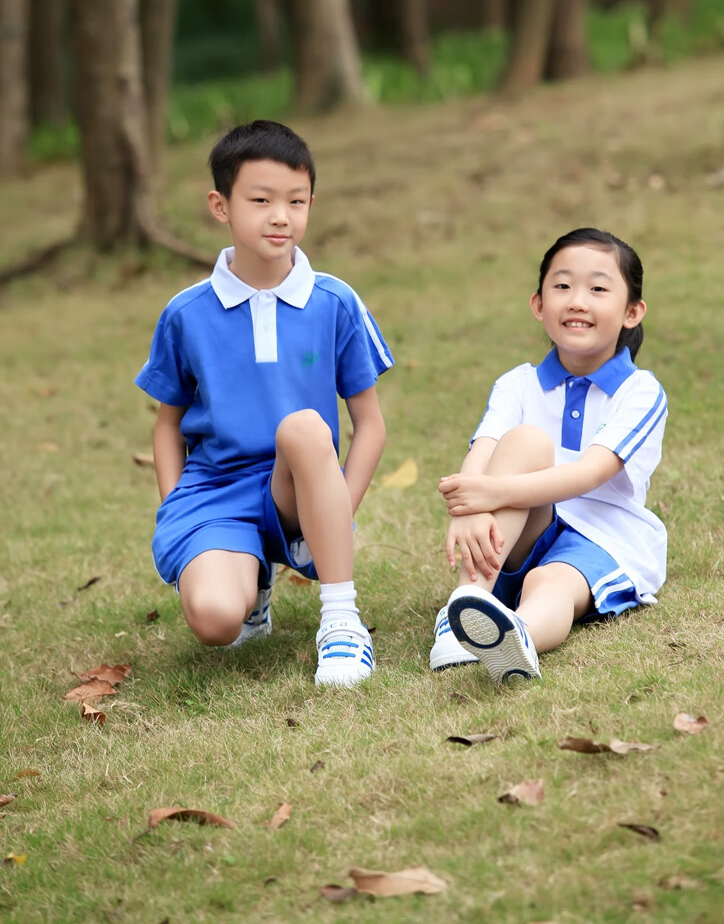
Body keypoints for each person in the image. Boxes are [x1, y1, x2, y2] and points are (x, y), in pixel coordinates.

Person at [135, 120, 393, 687]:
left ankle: (342, 621)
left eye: (296, 201)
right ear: (220, 206)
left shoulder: (335, 302)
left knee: (303, 428)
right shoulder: (186, 313)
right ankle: (248, 585)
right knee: (214, 621)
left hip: (301, 484)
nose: (282, 216)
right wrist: (177, 505)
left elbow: (369, 424)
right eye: (261, 200)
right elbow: (167, 425)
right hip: (217, 490)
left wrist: (337, 512)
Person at [429, 227, 667, 684]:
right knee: (526, 441)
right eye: (562, 286)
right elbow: (482, 454)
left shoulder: (640, 392)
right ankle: (460, 611)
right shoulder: (517, 384)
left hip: (602, 536)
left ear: (632, 312)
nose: (577, 300)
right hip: (521, 527)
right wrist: (469, 505)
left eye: (598, 289)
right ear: (539, 304)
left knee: (549, 584)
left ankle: (517, 636)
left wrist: (487, 492)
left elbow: (590, 474)